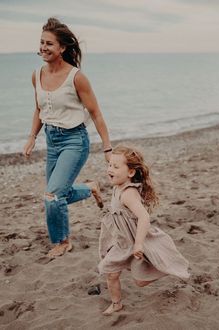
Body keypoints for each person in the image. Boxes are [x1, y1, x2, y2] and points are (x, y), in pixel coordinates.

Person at [23, 17, 112, 258]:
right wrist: (32, 137)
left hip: (75, 141)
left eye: (49, 43)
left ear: (62, 48)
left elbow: (96, 113)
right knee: (56, 194)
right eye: (41, 42)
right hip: (51, 141)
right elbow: (39, 110)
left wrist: (107, 148)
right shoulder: (37, 75)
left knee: (52, 196)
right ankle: (90, 188)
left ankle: (62, 241)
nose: (43, 47)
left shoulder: (77, 77)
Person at [98, 145, 190, 315]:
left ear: (131, 173)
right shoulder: (117, 184)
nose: (110, 169)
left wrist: (139, 244)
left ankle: (164, 268)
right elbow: (115, 161)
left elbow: (144, 217)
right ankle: (116, 303)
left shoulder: (128, 193)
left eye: (115, 167)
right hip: (122, 241)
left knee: (140, 281)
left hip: (134, 240)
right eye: (109, 165)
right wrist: (108, 151)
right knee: (110, 271)